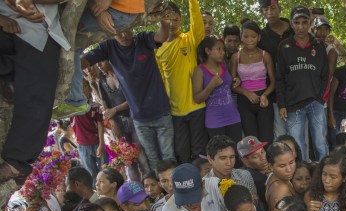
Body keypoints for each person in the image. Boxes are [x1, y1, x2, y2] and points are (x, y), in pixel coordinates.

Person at [81, 21, 175, 172]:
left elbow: (160, 36)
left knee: (169, 157)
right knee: (152, 161)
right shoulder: (108, 46)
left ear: (133, 26)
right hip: (139, 118)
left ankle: (174, 190)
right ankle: (162, 192)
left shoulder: (142, 39)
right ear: (112, 32)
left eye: (127, 30)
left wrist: (164, 22)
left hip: (161, 112)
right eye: (119, 32)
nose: (124, 35)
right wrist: (70, 54)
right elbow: (84, 61)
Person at [0, 0, 70, 185]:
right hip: (4, 25)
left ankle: (17, 162)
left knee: (38, 88)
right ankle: (12, 74)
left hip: (36, 31)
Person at [156, 0, 208, 164]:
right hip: (175, 111)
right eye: (167, 19)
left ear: (181, 18)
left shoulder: (190, 39)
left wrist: (192, 2)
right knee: (181, 152)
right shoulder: (157, 49)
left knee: (199, 151)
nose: (171, 23)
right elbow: (161, 80)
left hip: (196, 107)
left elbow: (197, 24)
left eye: (175, 19)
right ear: (161, 20)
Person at [276, 6, 329, 162]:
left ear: (310, 22)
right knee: (298, 146)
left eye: (304, 22)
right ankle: (303, 177)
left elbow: (325, 75)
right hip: (293, 105)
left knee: (320, 143)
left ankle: (325, 173)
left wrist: (321, 99)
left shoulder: (318, 46)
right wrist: (282, 104)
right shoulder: (284, 46)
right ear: (291, 24)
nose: (300, 26)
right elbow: (280, 77)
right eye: (296, 22)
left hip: (315, 102)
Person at [230, 21, 276, 144]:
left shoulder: (265, 56)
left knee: (267, 139)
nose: (249, 40)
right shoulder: (236, 57)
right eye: (246, 36)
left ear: (259, 37)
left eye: (253, 37)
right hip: (245, 101)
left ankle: (268, 163)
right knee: (251, 141)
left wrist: (265, 95)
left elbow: (273, 82)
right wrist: (246, 93)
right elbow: (233, 85)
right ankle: (253, 164)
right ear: (241, 37)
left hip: (263, 100)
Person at [257, 0, 294, 140]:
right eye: (265, 9)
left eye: (273, 8)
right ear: (261, 12)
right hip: (275, 94)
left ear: (280, 8)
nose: (270, 12)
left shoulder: (295, 29)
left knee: (300, 135)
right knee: (280, 136)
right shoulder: (261, 37)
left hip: (298, 91)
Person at [193, 37, 242, 142]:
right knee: (220, 154)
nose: (223, 52)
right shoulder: (199, 70)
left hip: (233, 117)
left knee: (236, 152)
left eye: (223, 49)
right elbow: (197, 99)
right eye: (219, 49)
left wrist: (236, 80)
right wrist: (211, 85)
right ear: (208, 51)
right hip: (215, 120)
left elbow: (229, 85)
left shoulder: (224, 65)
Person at [71, 82, 106, 181]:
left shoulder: (95, 106)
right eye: (79, 86)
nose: (82, 89)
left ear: (89, 89)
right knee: (91, 175)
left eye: (85, 86)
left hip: (97, 143)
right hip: (83, 146)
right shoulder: (72, 108)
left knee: (104, 171)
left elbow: (100, 124)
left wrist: (101, 144)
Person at [265, 142, 296, 211]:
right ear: (270, 166)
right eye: (282, 166)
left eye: (291, 162)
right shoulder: (281, 189)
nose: (289, 169)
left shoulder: (272, 176)